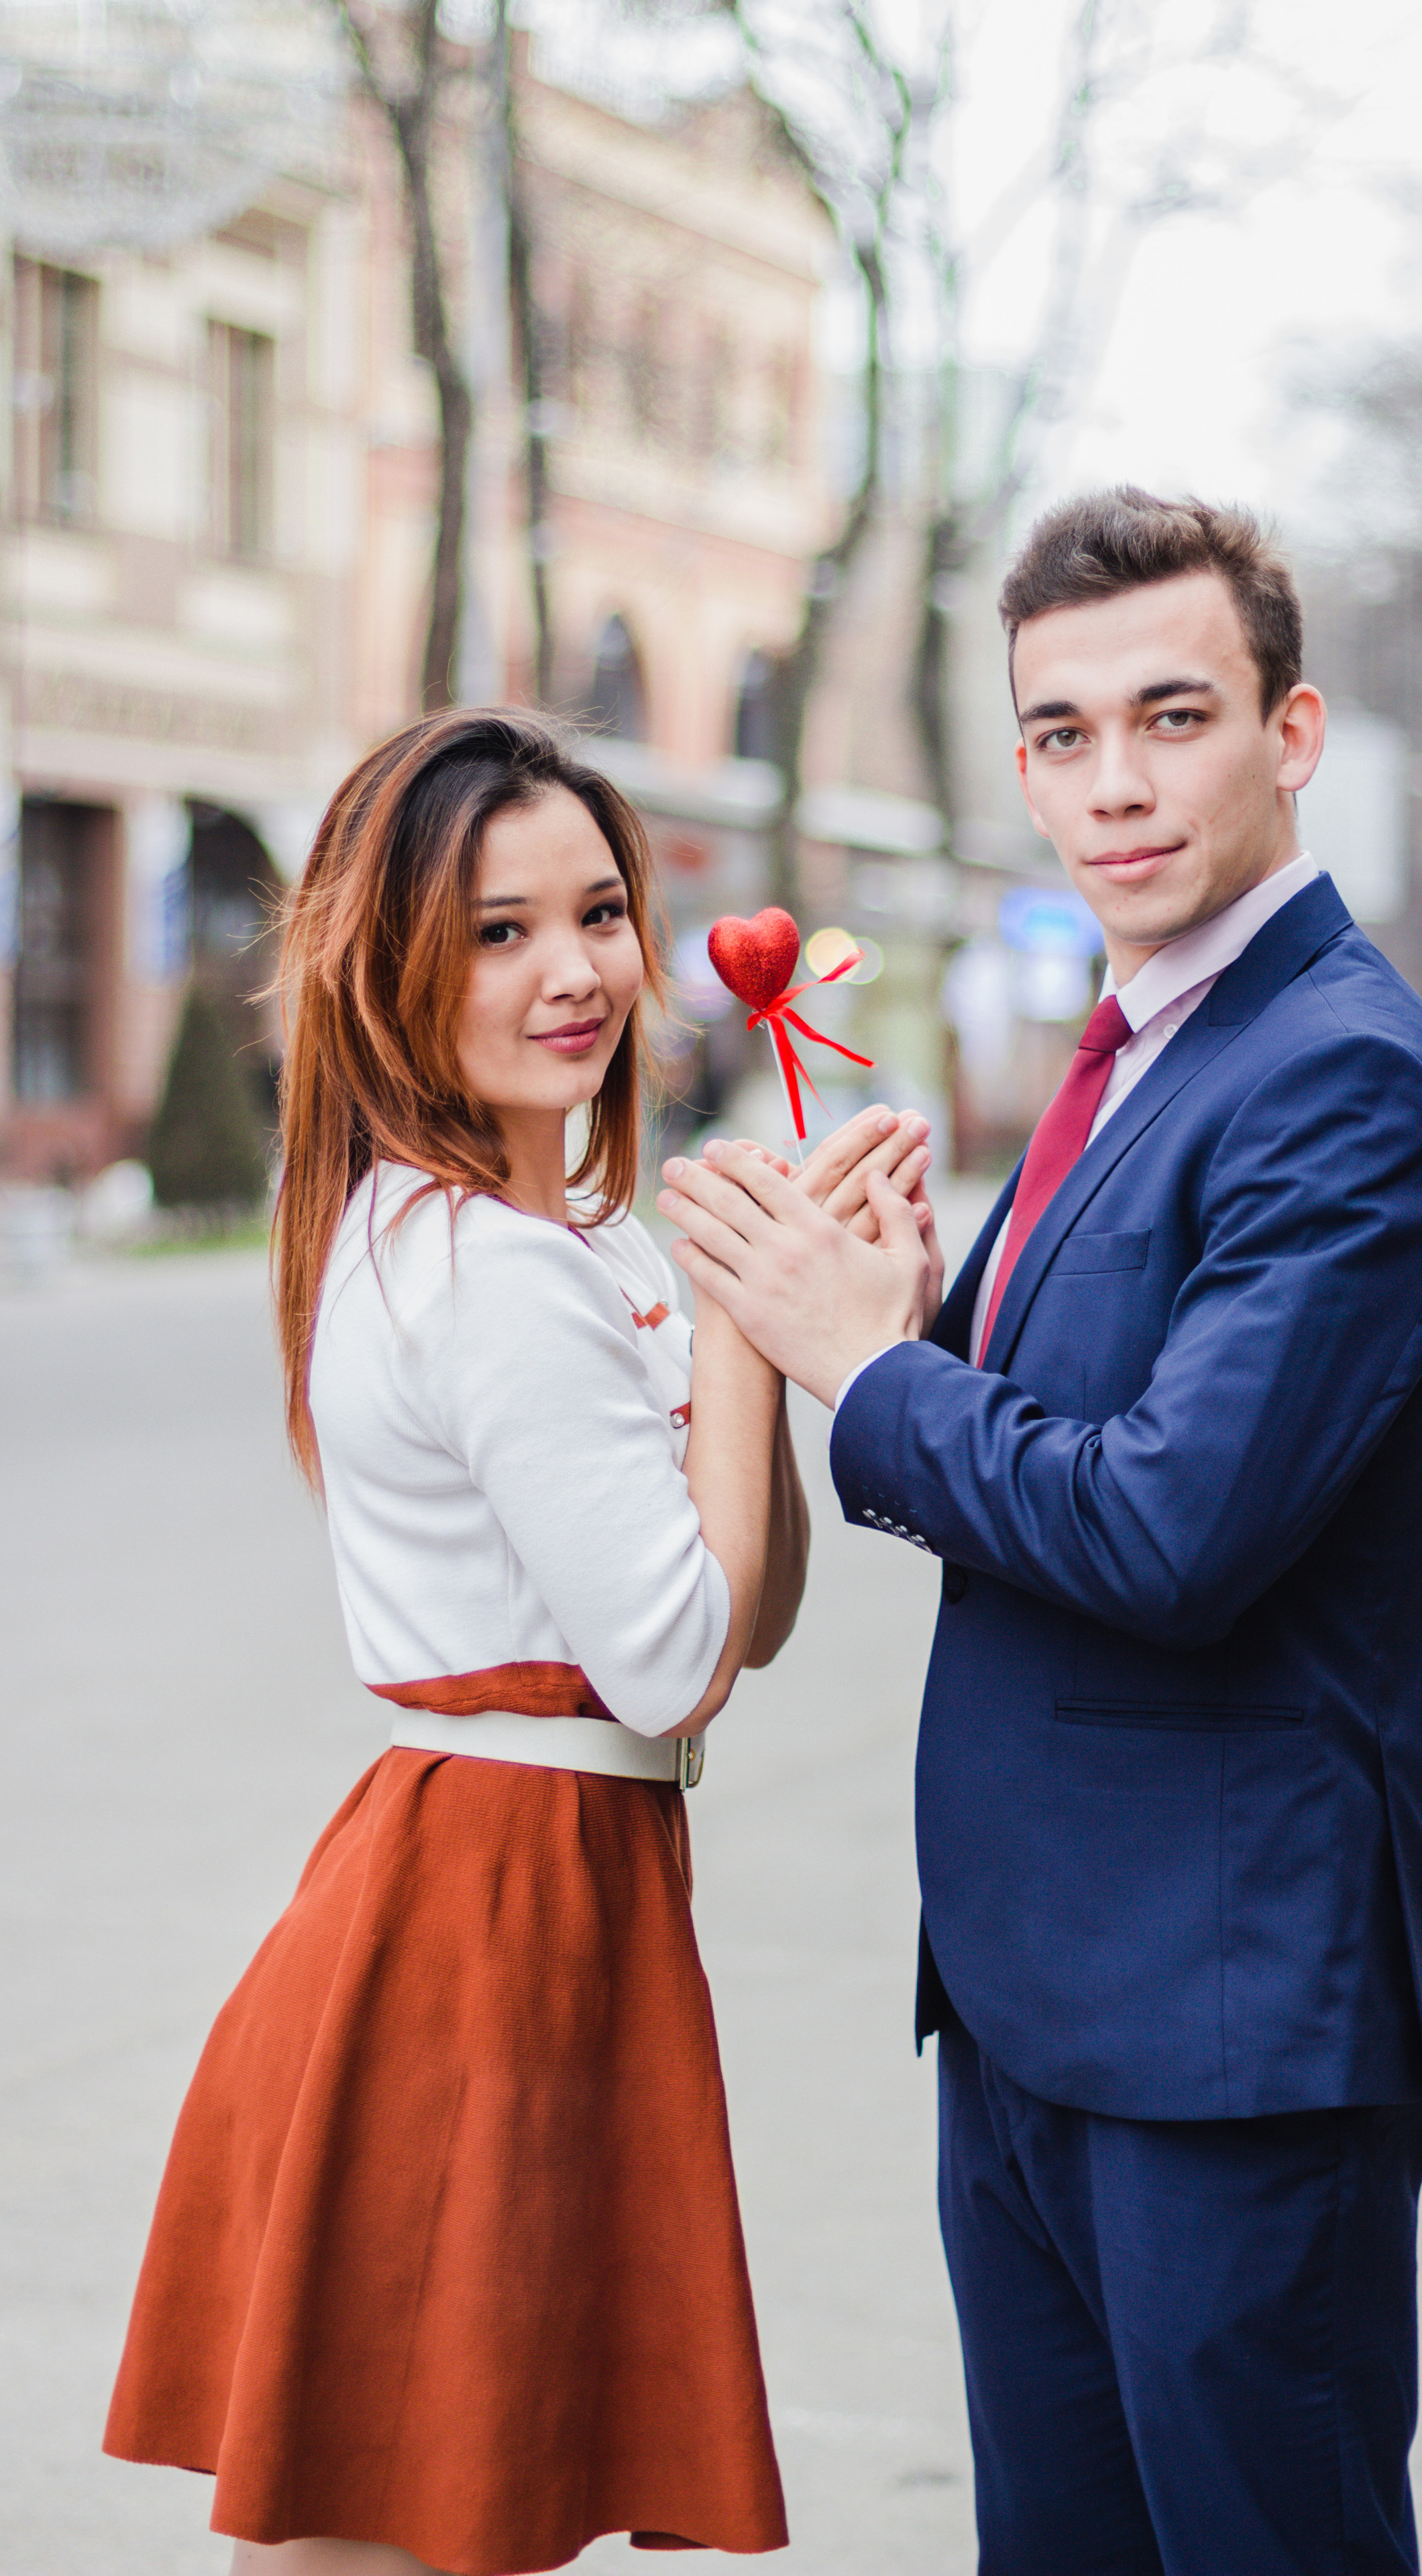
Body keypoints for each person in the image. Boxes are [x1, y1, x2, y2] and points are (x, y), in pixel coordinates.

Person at [657, 490, 1422, 2575]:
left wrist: (873, 1365)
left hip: (1229, 2032)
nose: (1113, 785)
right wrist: (917, 1315)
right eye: (1060, 733)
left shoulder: (1342, 1082)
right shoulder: (1136, 1051)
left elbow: (1172, 1532)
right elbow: (1063, 1431)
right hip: (1037, 2005)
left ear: (1289, 734)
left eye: (1172, 715)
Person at [103, 706, 932, 2576]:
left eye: (599, 912)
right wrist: (743, 1317)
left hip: (520, 1895)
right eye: (497, 930)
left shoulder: (568, 1243)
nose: (573, 972)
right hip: (482, 1925)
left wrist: (783, 1339)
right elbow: (679, 1664)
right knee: (413, 2508)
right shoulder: (499, 1276)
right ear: (398, 966)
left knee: (417, 2505)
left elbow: (751, 1612)